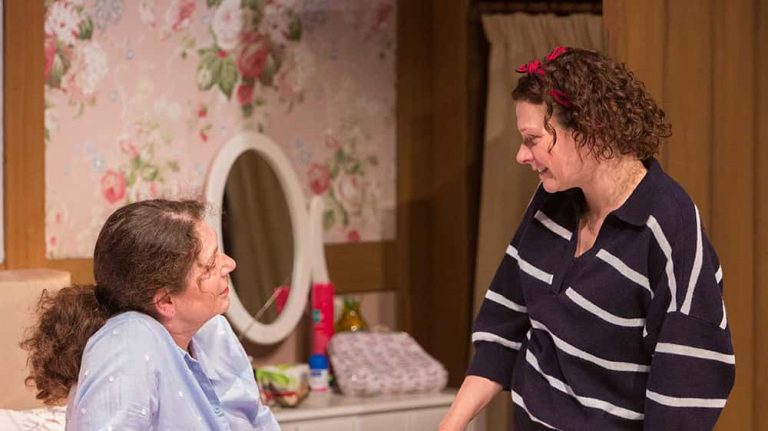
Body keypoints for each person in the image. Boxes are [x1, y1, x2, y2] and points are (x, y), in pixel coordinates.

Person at [439, 47, 734, 430]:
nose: (521, 155)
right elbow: (503, 325)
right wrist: (450, 425)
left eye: (531, 139)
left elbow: (689, 385)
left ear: (588, 130)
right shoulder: (551, 202)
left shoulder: (668, 227)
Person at [22, 199, 280, 430]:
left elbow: (257, 421)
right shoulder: (127, 344)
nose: (230, 264)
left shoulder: (214, 332)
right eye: (211, 264)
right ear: (166, 300)